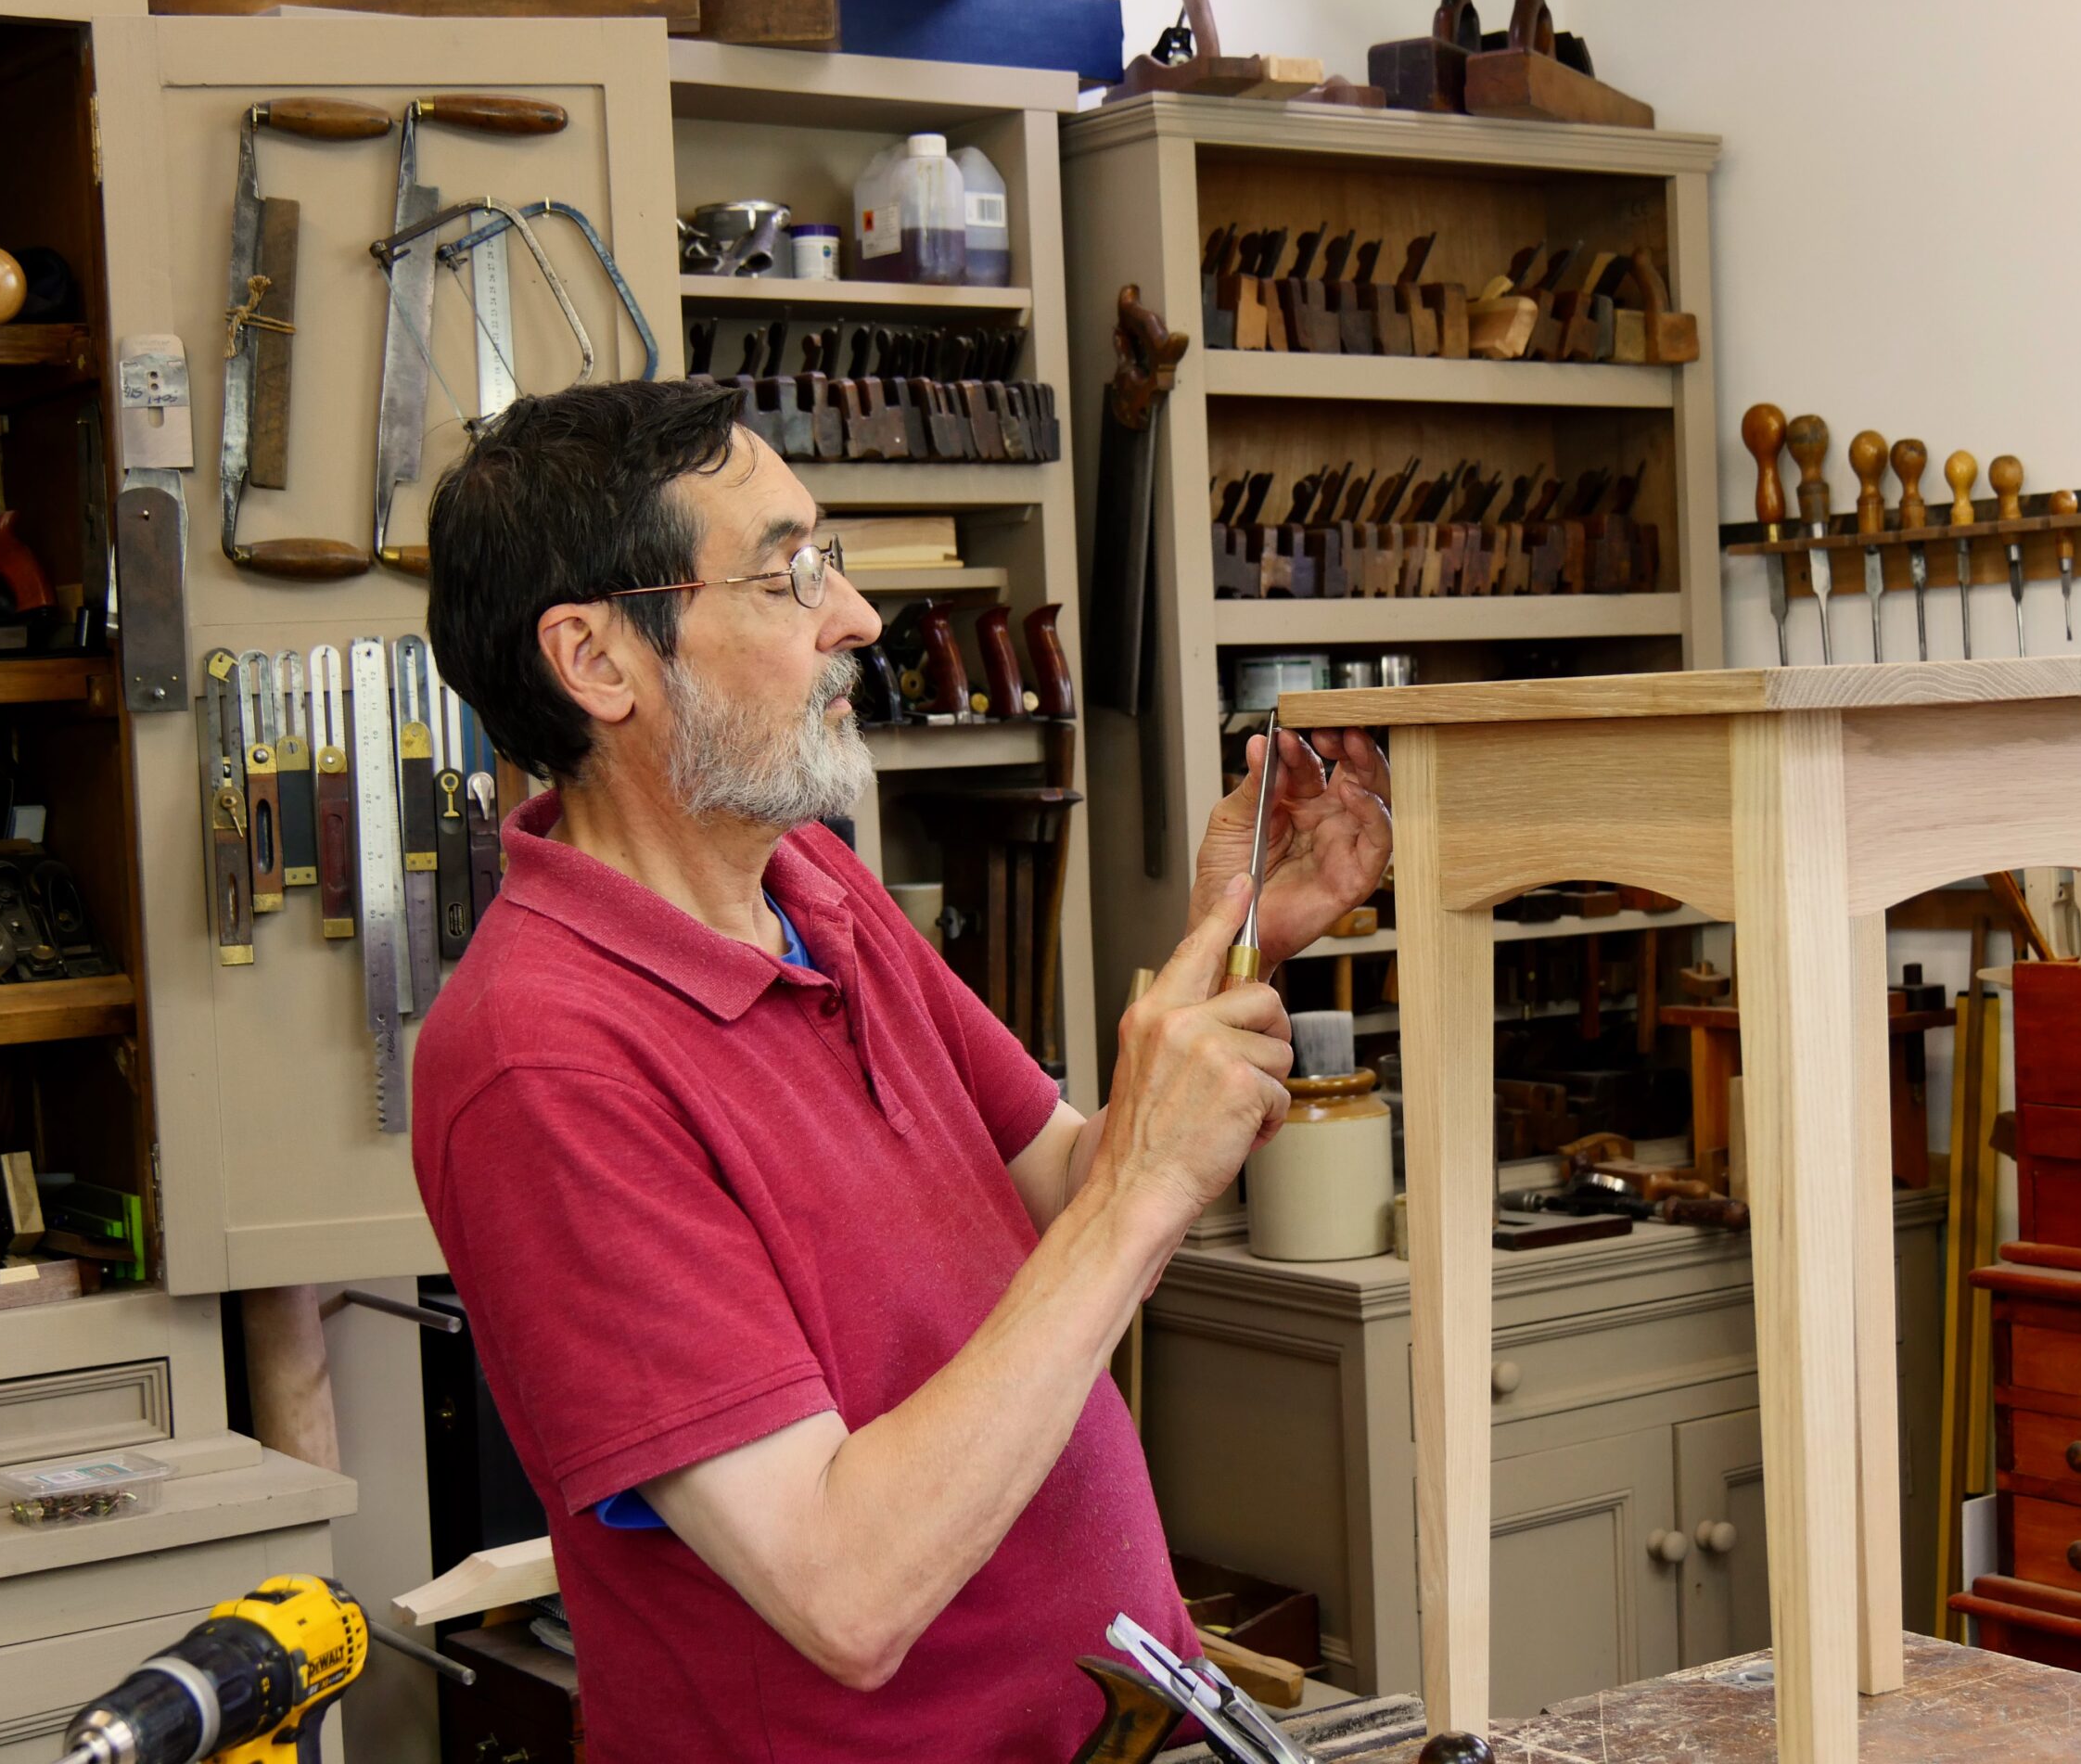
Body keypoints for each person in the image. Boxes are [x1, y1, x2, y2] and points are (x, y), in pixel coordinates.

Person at [414, 378, 1392, 1761]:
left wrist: (1233, 939)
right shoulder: (541, 1062)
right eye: (788, 575)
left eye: (831, 559)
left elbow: (1067, 1187)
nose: (859, 619)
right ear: (597, 660)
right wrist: (1143, 1189)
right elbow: (844, 1591)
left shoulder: (813, 886)